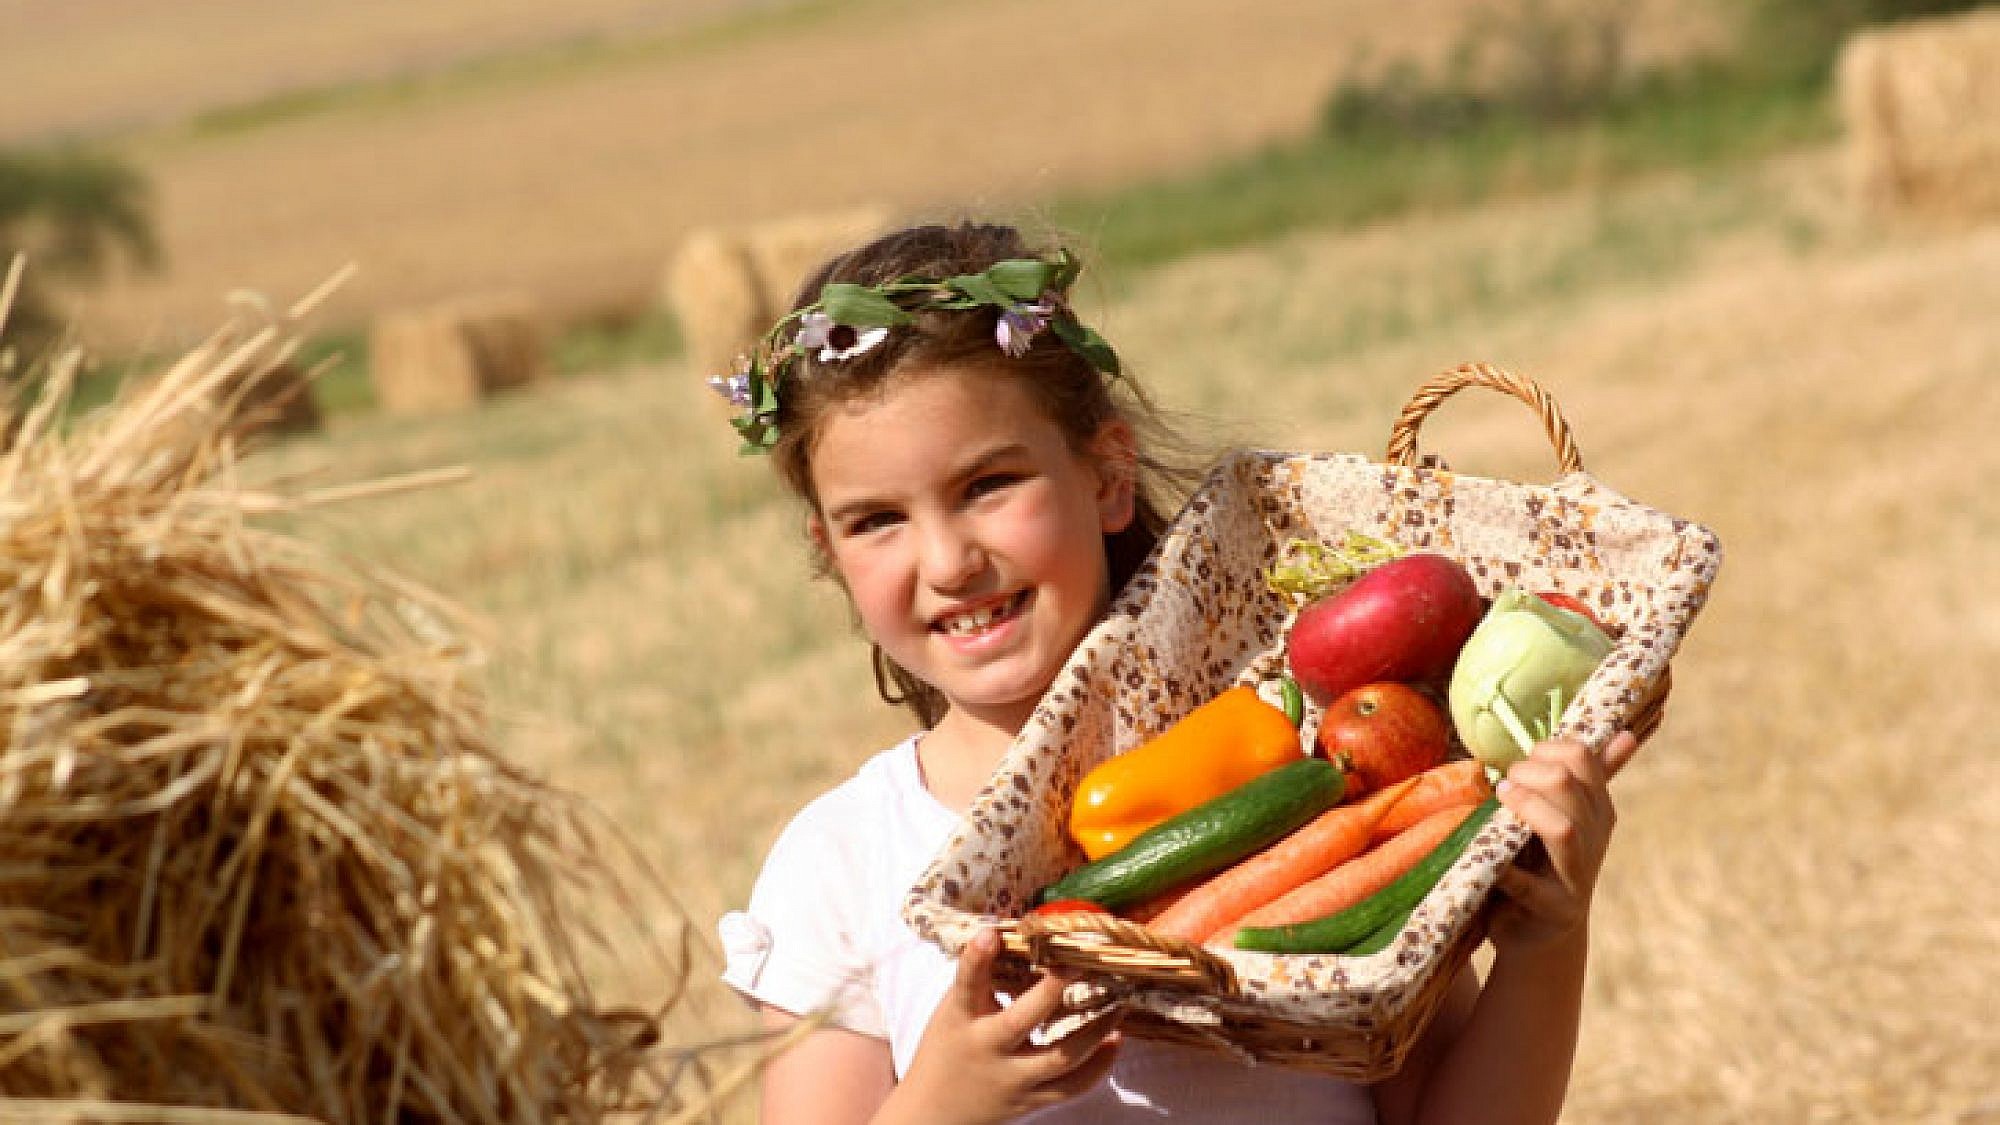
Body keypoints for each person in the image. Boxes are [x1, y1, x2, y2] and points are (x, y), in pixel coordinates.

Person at [711, 220, 1641, 1123]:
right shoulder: (841, 865)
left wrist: (1546, 941)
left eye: (988, 486)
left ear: (1108, 475)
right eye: (877, 519)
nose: (949, 559)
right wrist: (941, 1107)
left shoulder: (1313, 771)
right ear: (828, 549)